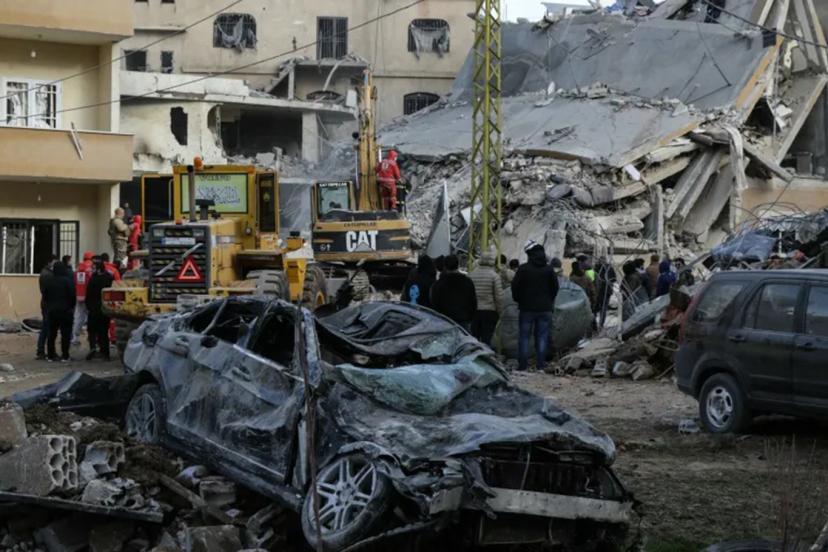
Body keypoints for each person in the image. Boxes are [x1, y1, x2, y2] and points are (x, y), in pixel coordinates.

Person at [511, 241, 558, 371]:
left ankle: (522, 366)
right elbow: (555, 287)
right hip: (545, 309)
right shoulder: (549, 269)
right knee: (542, 336)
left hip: (526, 308)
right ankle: (540, 365)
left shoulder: (523, 269)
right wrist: (549, 300)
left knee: (524, 337)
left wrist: (519, 299)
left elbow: (515, 286)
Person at [430, 254, 477, 331]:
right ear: (458, 265)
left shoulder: (439, 284)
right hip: (463, 321)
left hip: (445, 321)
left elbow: (434, 302)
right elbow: (473, 301)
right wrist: (470, 318)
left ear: (445, 266)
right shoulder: (467, 281)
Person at [469, 248, 503, 346]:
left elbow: (468, 295)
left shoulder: (471, 275)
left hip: (474, 311)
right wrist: (500, 311)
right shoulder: (494, 276)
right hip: (489, 311)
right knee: (486, 339)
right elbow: (499, 297)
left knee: (474, 339)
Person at [43, 262, 75, 362]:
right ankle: (65, 355)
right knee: (65, 334)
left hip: (52, 311)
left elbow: (45, 296)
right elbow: (72, 296)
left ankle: (50, 355)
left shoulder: (49, 281)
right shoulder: (67, 281)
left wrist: (49, 307)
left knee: (52, 334)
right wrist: (71, 307)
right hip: (65, 311)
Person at [86, 258, 115, 361]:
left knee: (92, 330)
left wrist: (88, 306)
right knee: (103, 332)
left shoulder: (93, 278)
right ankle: (105, 352)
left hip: (93, 308)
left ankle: (93, 347)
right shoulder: (109, 277)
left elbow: (88, 293)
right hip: (104, 308)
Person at [36, 255, 58, 360]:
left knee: (46, 327)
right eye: (54, 262)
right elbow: (47, 291)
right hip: (48, 304)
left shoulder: (47, 273)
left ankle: (41, 350)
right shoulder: (47, 275)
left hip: (47, 303)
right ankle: (45, 351)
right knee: (47, 328)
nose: (55, 264)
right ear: (49, 262)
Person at [71, 251, 95, 347]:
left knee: (79, 316)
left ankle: (74, 337)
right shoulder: (91, 268)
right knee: (91, 317)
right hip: (89, 296)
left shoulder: (78, 268)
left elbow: (74, 282)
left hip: (78, 295)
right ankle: (91, 338)